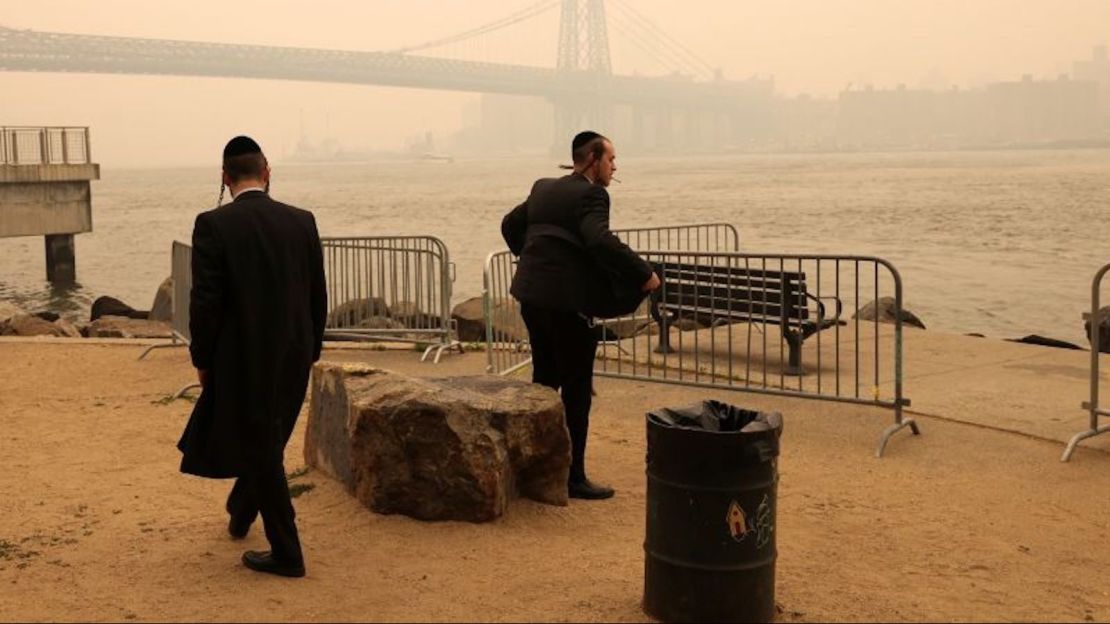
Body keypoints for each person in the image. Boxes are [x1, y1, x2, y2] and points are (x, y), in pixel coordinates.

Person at [176, 136, 327, 578]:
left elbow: (206, 302)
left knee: (262, 443)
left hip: (242, 358)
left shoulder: (212, 225)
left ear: (224, 178)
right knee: (268, 438)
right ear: (267, 172)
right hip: (295, 352)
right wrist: (312, 346)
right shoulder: (302, 221)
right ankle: (242, 510)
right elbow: (317, 292)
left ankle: (288, 553)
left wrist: (201, 358)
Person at [501, 131, 660, 500]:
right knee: (576, 389)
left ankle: (538, 469)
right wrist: (644, 274)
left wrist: (531, 259)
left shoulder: (543, 187)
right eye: (611, 159)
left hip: (531, 297)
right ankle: (574, 477)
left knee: (544, 380)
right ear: (592, 159)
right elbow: (599, 239)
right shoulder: (593, 194)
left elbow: (510, 224)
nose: (614, 167)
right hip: (567, 304)